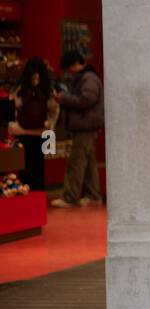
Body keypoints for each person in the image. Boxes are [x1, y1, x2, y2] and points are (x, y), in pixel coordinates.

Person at [52, 49, 104, 208]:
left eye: (69, 68)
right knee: (88, 163)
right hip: (87, 124)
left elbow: (87, 99)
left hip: (85, 125)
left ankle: (70, 197)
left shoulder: (88, 78)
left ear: (75, 64)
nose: (69, 72)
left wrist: (64, 98)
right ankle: (93, 195)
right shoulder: (88, 77)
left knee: (76, 161)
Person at [7, 57, 58, 191]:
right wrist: (49, 126)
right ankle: (38, 194)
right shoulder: (48, 89)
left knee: (23, 167)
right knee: (38, 166)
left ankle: (25, 193)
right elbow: (54, 111)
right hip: (41, 132)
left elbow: (12, 107)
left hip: (21, 132)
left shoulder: (20, 88)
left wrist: (12, 126)